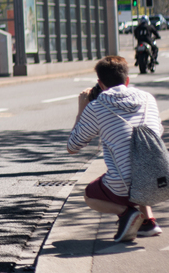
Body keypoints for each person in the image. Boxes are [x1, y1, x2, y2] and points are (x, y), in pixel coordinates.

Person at [67, 56, 163, 242]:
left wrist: (82, 108)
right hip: (162, 178)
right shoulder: (148, 98)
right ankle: (148, 222)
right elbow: (157, 131)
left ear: (100, 83)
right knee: (140, 162)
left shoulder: (96, 106)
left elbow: (73, 146)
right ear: (127, 80)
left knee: (89, 195)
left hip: (126, 185)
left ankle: (127, 214)